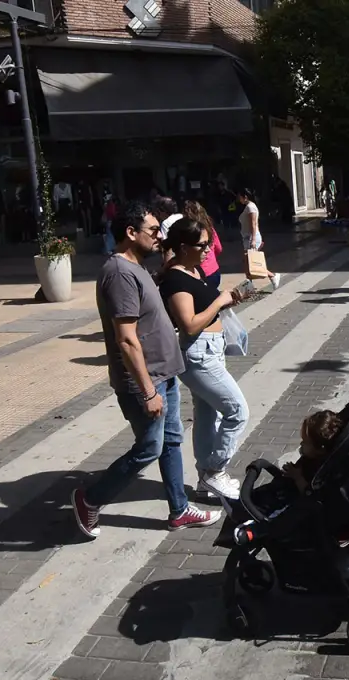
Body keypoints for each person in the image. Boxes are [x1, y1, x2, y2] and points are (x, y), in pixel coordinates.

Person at [70, 204, 222, 538]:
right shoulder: (120, 273)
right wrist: (148, 390)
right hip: (146, 382)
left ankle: (179, 510)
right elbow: (126, 339)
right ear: (130, 232)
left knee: (170, 442)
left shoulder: (136, 268)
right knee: (150, 448)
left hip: (162, 375)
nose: (160, 236)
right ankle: (89, 499)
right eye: (153, 230)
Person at [160, 219, 250, 502]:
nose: (208, 249)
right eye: (202, 245)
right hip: (197, 354)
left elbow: (206, 307)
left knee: (208, 415)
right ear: (183, 247)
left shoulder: (192, 269)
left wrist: (229, 300)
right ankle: (215, 471)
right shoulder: (175, 278)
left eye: (208, 243)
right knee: (237, 411)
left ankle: (204, 480)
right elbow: (188, 324)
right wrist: (219, 301)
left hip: (211, 349)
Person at [283, 410, 345, 492]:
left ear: (320, 449)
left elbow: (311, 494)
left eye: (305, 442)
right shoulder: (317, 457)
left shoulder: (324, 472)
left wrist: (297, 477)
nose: (301, 443)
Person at [237, 188, 281, 290]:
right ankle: (250, 284)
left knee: (251, 262)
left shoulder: (250, 207)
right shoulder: (249, 207)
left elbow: (254, 224)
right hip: (248, 237)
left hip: (250, 238)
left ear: (245, 197)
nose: (239, 199)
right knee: (247, 262)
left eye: (240, 197)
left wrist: (253, 240)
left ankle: (272, 276)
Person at [183, 201, 223, 288]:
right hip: (215, 271)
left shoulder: (190, 231)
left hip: (200, 273)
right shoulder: (210, 229)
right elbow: (219, 248)